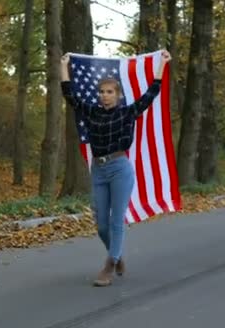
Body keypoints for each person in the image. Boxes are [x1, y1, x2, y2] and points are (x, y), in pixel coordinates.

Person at [60, 50, 172, 287]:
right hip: (98, 170)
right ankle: (118, 255)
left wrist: (161, 64)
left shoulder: (127, 112)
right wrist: (64, 66)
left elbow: (151, 93)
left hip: (120, 168)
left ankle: (109, 265)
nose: (104, 96)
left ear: (118, 95)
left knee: (116, 220)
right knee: (101, 224)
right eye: (102, 92)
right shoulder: (92, 112)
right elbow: (70, 96)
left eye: (109, 92)